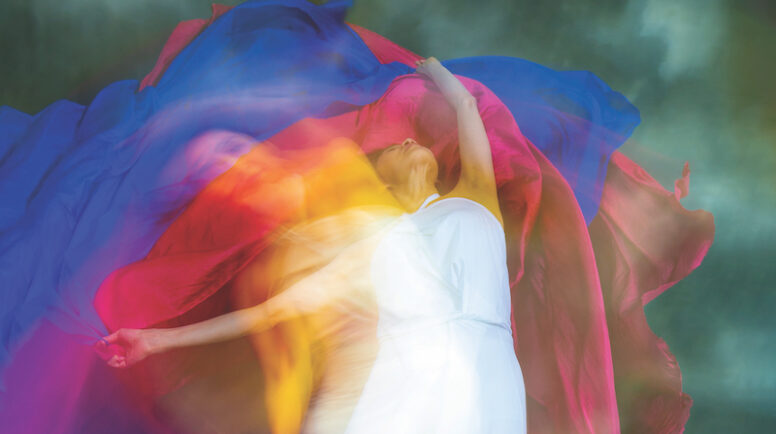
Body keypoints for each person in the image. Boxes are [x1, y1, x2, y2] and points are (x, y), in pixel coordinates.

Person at [98, 57, 527, 433]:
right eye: (397, 146)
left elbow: (467, 106)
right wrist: (154, 341)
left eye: (411, 141)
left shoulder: (476, 193)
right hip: (405, 384)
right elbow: (272, 312)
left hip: (490, 374)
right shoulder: (374, 241)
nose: (410, 141)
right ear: (385, 186)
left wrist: (434, 69)